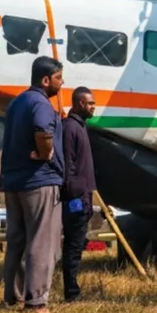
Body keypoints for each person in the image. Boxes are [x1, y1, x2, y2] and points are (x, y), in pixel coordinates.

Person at [0, 56, 65, 313]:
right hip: (38, 181)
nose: (62, 83)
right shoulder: (40, 103)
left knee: (16, 240)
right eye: (59, 78)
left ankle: (13, 296)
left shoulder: (16, 103)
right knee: (42, 241)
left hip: (13, 181)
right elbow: (42, 131)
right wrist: (46, 153)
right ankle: (36, 301)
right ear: (46, 79)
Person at [60, 86, 98, 302]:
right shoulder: (70, 128)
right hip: (76, 198)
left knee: (78, 243)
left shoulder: (81, 127)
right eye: (90, 103)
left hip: (84, 196)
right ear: (80, 103)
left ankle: (73, 288)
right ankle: (71, 292)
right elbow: (69, 164)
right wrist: (75, 195)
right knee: (73, 246)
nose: (94, 107)